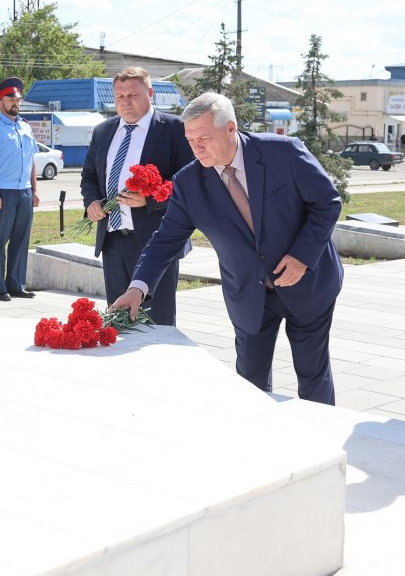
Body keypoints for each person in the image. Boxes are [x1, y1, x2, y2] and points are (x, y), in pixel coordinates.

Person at [112, 92, 343, 403]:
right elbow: (165, 240)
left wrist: (302, 256)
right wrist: (137, 288)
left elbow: (327, 203)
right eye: (190, 139)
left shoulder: (283, 152)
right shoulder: (189, 183)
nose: (196, 147)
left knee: (312, 375)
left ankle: (323, 440)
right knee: (249, 385)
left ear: (230, 128)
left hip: (307, 283)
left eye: (204, 137)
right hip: (248, 293)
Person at [80, 67, 193, 325]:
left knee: (158, 322)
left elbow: (189, 182)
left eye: (133, 94)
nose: (125, 102)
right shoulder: (103, 131)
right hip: (112, 240)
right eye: (119, 96)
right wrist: (92, 201)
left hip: (155, 241)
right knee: (119, 319)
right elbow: (89, 176)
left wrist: (150, 200)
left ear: (150, 93)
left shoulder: (175, 129)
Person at [0, 77, 39, 301]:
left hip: (24, 192)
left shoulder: (25, 126)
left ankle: (16, 284)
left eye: (18, 98)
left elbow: (31, 159)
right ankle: (0, 287)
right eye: (11, 98)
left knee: (21, 239)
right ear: (0, 102)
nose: (16, 102)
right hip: (2, 193)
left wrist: (34, 190)